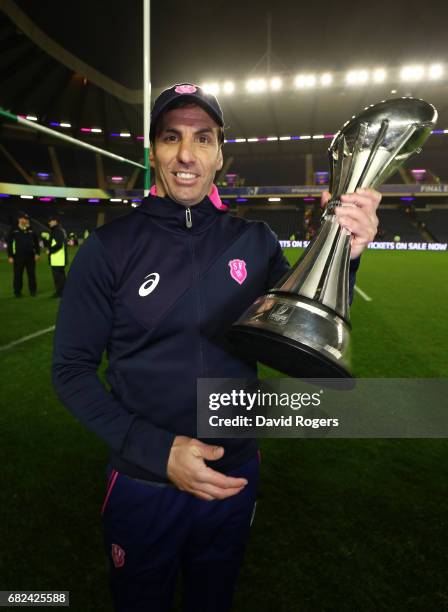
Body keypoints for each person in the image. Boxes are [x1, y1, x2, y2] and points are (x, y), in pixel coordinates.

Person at [52, 83, 380, 612]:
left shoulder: (255, 242)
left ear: (220, 152)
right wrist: (159, 452)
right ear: (154, 150)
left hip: (234, 474)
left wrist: (345, 249)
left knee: (215, 599)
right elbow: (70, 371)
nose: (187, 154)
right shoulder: (107, 250)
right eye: (171, 138)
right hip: (143, 482)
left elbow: (298, 335)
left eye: (203, 138)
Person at [7, 212, 40, 297]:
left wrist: (37, 253)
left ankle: (33, 291)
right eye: (23, 219)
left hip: (30, 256)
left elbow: (36, 243)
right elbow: (9, 244)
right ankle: (17, 292)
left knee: (31, 275)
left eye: (26, 219)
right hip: (18, 256)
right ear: (19, 219)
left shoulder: (31, 230)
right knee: (18, 275)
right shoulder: (14, 230)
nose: (25, 220)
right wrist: (10, 256)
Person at [43, 215, 68, 298]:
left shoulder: (57, 231)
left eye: (51, 221)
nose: (49, 222)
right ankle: (61, 292)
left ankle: (60, 293)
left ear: (55, 221)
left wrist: (50, 250)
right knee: (60, 277)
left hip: (58, 258)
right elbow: (53, 243)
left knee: (58, 277)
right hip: (58, 258)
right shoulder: (57, 230)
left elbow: (59, 244)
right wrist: (46, 239)